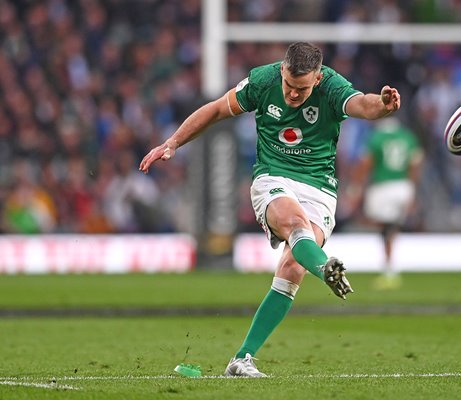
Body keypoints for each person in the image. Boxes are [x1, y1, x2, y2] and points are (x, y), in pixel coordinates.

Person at [139, 42, 400, 377]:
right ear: (282, 71)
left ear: (318, 79)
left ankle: (241, 359)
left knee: (292, 267)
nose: (292, 94)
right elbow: (217, 109)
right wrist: (172, 142)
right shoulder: (262, 82)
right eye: (289, 85)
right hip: (272, 178)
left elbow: (364, 104)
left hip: (319, 189)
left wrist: (384, 105)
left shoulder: (332, 86)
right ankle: (325, 270)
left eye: (302, 89)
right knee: (294, 224)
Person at [351, 117, 423, 289]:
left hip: (383, 186)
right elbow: (416, 163)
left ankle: (389, 270)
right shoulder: (408, 136)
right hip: (403, 185)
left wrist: (356, 187)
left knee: (382, 226)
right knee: (391, 226)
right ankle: (390, 263)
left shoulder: (376, 137)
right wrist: (412, 188)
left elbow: (366, 162)